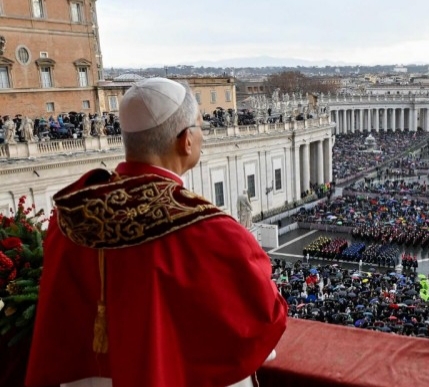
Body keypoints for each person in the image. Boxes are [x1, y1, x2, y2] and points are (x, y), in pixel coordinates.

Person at [27, 77, 287, 387]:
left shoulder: (71, 215)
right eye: (200, 127)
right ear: (185, 140)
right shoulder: (210, 230)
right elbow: (264, 319)